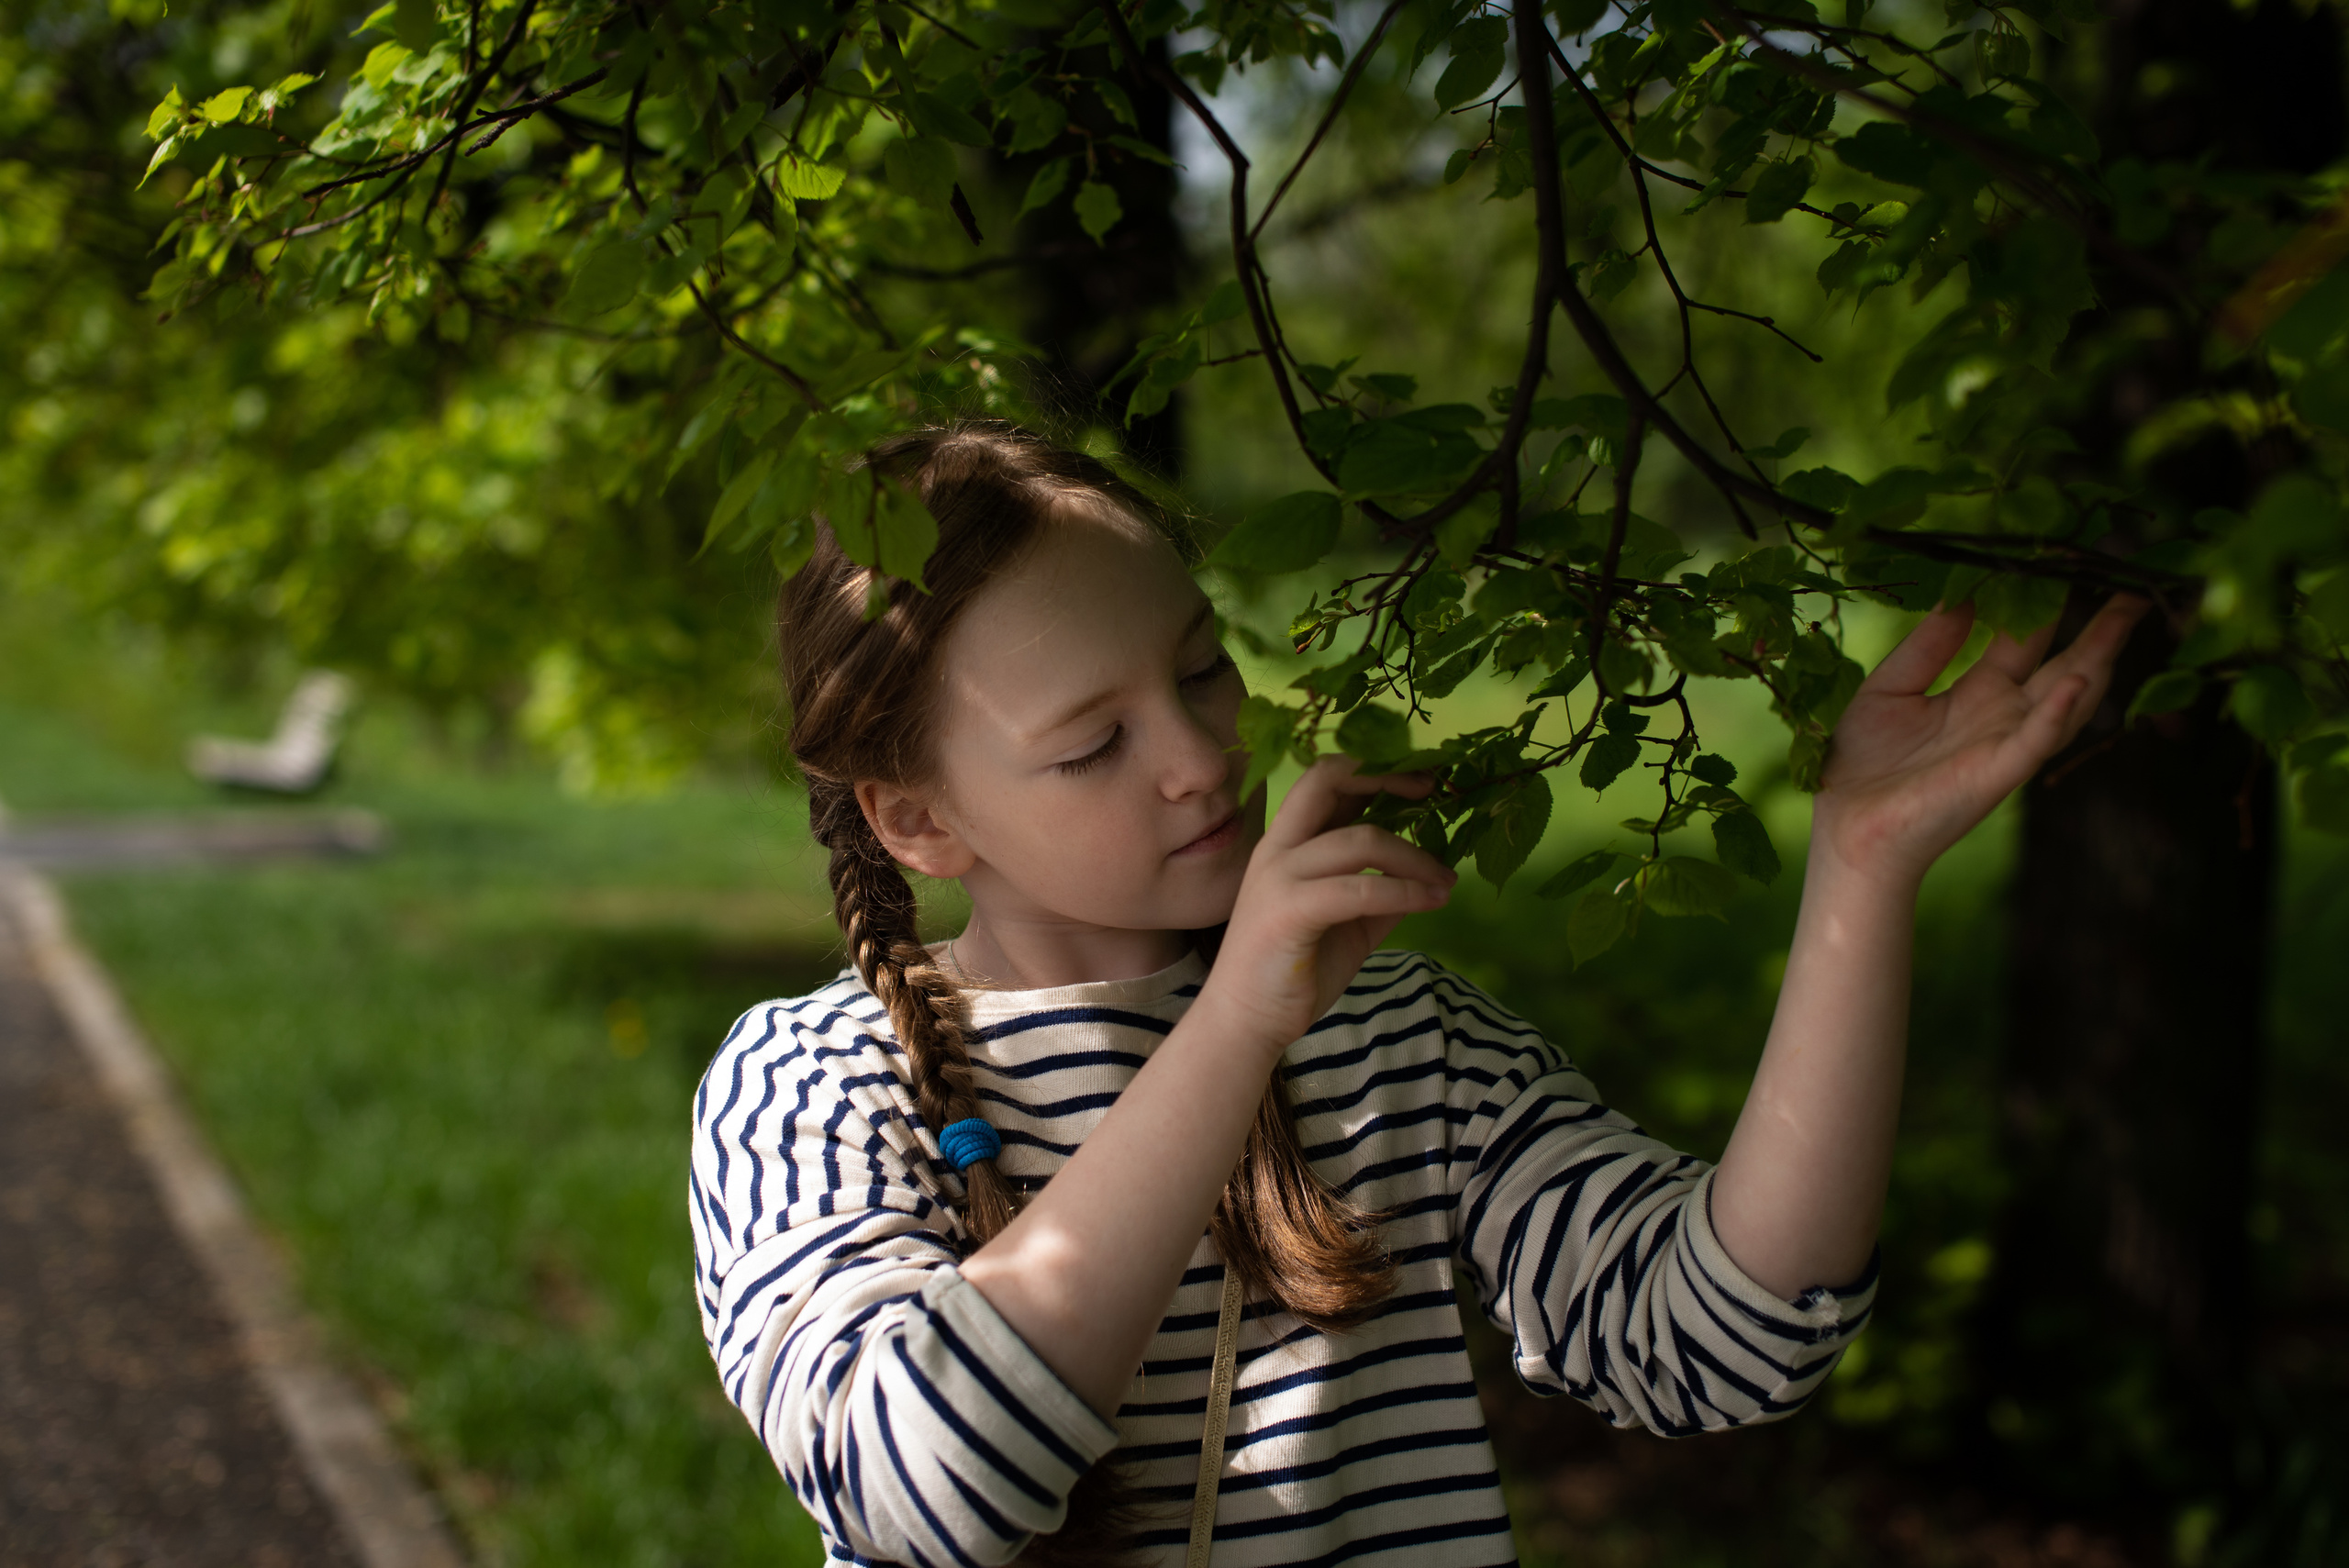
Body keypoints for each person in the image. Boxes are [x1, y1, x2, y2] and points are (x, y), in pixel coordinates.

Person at [688, 421, 2146, 1567]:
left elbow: (1728, 1339)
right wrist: (1236, 1026)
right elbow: (921, 1484)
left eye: (1202, 669)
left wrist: (1862, 872)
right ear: (918, 820)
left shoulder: (1394, 1037)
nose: (1200, 755)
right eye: (1090, 745)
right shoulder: (812, 1085)